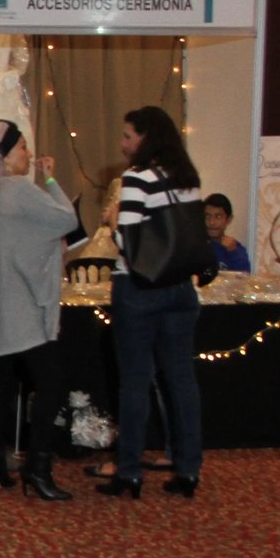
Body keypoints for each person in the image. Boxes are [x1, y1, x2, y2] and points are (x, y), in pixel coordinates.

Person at [0, 120, 80, 501]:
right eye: (22, 149)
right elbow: (67, 219)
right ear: (5, 155)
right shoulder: (18, 190)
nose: (29, 155)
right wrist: (49, 180)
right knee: (52, 383)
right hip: (22, 309)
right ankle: (38, 468)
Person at [99, 106, 206, 500]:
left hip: (139, 289)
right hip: (181, 289)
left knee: (134, 382)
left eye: (128, 136)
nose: (123, 144)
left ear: (144, 138)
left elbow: (128, 242)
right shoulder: (187, 179)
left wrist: (112, 221)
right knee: (181, 381)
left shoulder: (136, 179)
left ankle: (128, 472)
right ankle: (189, 468)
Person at [206, 192, 251, 272]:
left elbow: (244, 278)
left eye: (218, 216)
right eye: (207, 216)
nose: (212, 222)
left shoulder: (235, 249)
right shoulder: (194, 246)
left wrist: (233, 253)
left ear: (228, 220)